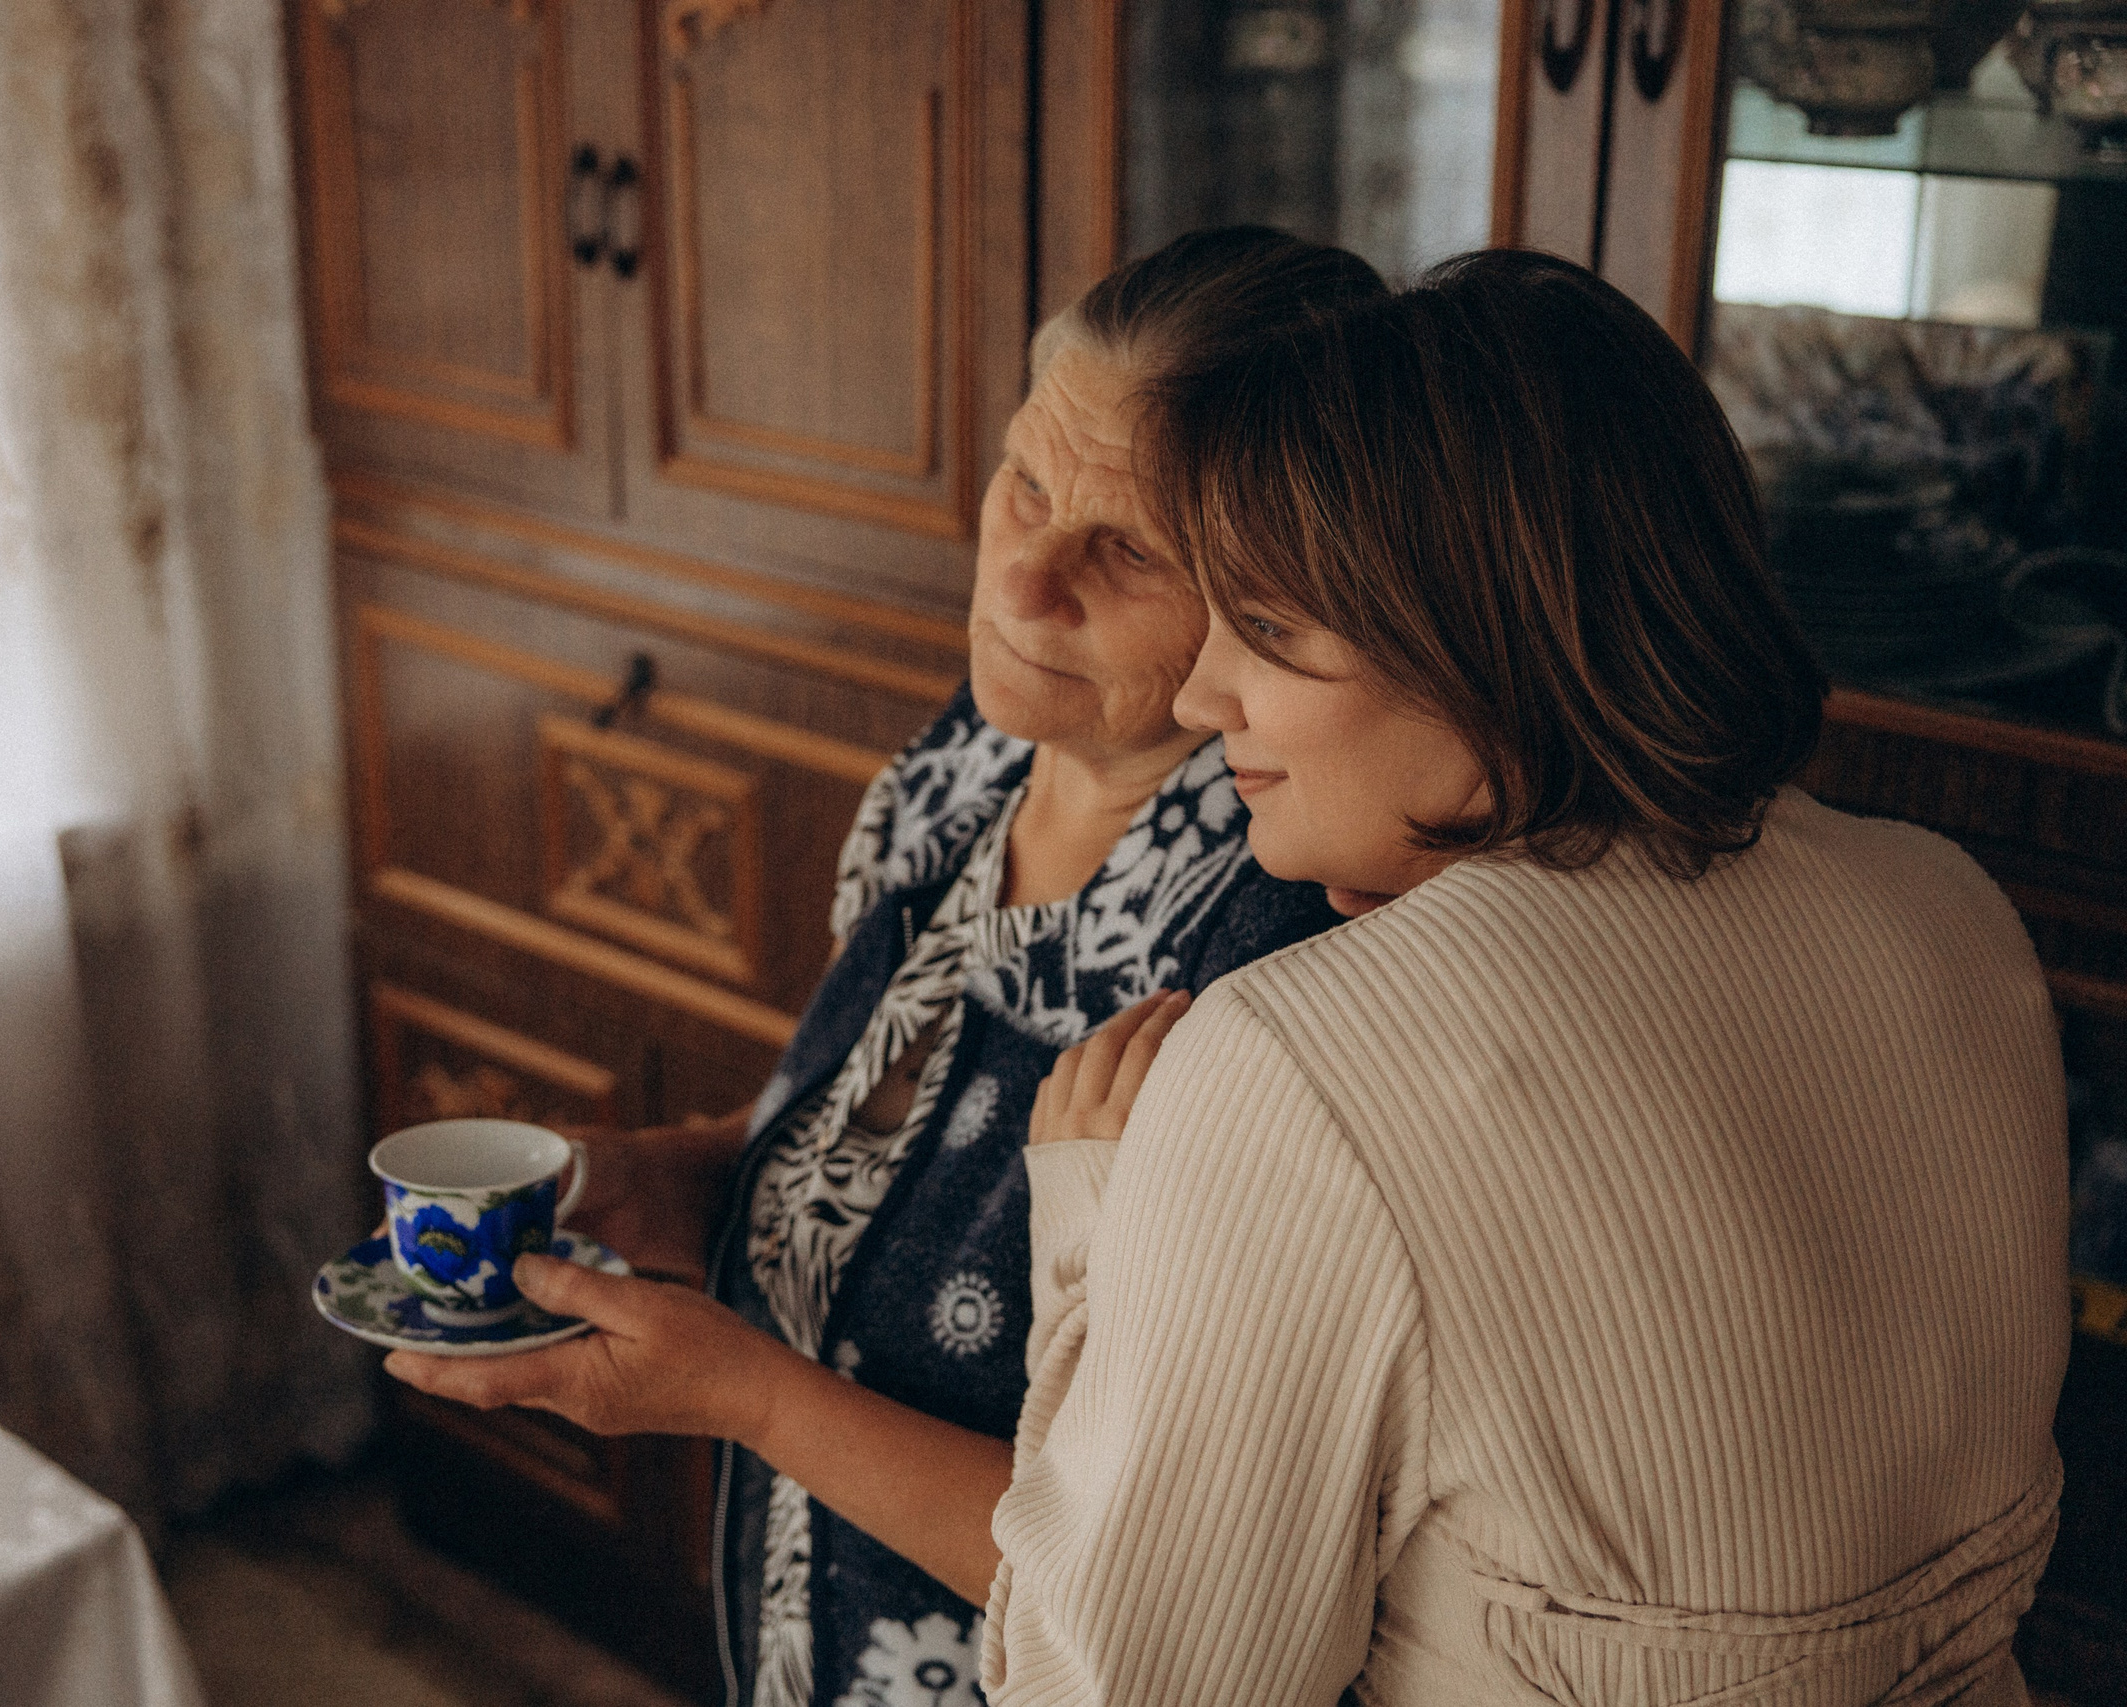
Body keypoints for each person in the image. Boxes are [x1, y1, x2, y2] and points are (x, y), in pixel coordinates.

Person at [992, 249, 2070, 1706]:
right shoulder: (1953, 910)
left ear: (1474, 637)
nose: (1200, 697)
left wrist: (1095, 1221)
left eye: (1271, 632)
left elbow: (1113, 1685)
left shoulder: (1291, 1067)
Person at [381, 228, 1387, 1707]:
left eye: (1129, 551)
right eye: (1026, 485)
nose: (1024, 581)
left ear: (1281, 602)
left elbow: (1148, 1575)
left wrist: (735, 1388)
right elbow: (880, 1132)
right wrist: (701, 1173)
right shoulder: (978, 754)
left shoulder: (1268, 952)